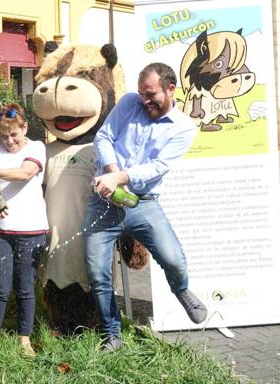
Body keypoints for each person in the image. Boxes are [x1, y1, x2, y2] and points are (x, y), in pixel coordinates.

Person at [83, 62, 207, 352]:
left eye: (151, 94)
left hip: (144, 204)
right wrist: (112, 173)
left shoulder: (184, 128)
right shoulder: (129, 103)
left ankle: (181, 290)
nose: (144, 100)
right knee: (97, 272)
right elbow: (104, 137)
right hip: (102, 201)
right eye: (141, 94)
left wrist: (120, 178)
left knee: (173, 257)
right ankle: (112, 334)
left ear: (170, 89)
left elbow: (159, 166)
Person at [0, 103, 49, 357]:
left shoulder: (37, 148)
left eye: (14, 135)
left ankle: (25, 340)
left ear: (25, 128)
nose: (8, 141)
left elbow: (25, 173)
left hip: (30, 228)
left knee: (25, 286)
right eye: (4, 136)